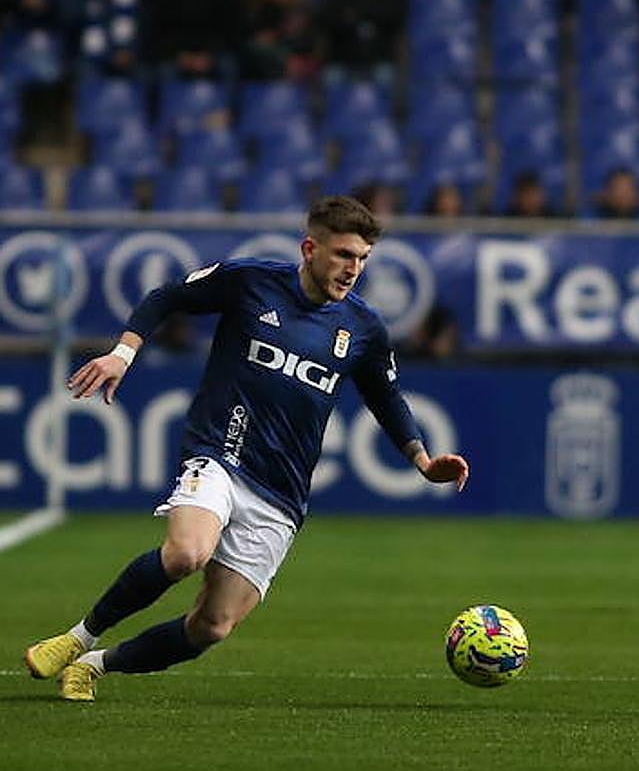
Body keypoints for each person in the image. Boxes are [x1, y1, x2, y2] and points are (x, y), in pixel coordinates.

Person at [24, 195, 470, 702]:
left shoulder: (363, 327)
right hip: (222, 452)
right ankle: (78, 637)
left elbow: (385, 397)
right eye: (344, 254)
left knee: (211, 626)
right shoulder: (252, 281)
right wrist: (123, 354)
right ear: (310, 249)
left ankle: (95, 665)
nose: (354, 269)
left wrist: (421, 460)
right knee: (187, 553)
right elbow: (167, 296)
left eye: (363, 258)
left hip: (281, 491)